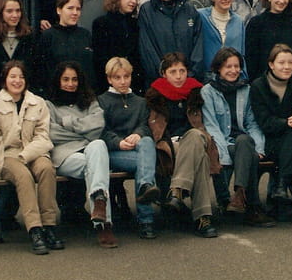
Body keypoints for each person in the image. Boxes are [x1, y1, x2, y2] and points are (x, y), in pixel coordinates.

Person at [0, 60, 64, 254]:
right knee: (23, 176)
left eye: (21, 77)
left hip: (34, 151)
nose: (17, 81)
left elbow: (43, 136)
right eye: (12, 76)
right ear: (5, 79)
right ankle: (35, 229)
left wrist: (26, 155)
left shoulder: (38, 103)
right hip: (8, 156)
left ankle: (49, 225)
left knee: (46, 169)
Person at [145, 52, 219, 238]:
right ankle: (203, 218)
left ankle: (177, 191)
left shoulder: (196, 93)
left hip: (195, 140)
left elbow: (204, 125)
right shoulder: (154, 95)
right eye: (173, 72)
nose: (178, 76)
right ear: (164, 74)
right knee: (201, 158)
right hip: (168, 146)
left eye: (182, 71)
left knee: (195, 136)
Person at [201, 48, 275, 227]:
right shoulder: (208, 91)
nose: (233, 70)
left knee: (245, 141)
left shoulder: (246, 90)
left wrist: (259, 147)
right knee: (248, 153)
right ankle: (252, 207)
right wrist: (223, 154)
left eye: (237, 66)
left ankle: (238, 195)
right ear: (218, 68)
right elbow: (211, 126)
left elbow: (252, 123)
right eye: (228, 66)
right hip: (221, 142)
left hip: (243, 142)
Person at [46, 61, 117, 248]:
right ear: (58, 81)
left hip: (89, 149)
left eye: (74, 79)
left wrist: (67, 123)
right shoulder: (49, 105)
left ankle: (100, 204)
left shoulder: (90, 102)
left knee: (99, 144)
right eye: (66, 79)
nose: (71, 84)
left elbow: (98, 126)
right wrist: (83, 130)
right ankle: (104, 224)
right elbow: (52, 133)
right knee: (96, 163)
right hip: (64, 155)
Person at [250, 44, 292, 227]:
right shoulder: (258, 86)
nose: (287, 67)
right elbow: (264, 121)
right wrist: (288, 122)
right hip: (269, 142)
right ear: (271, 64)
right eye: (281, 63)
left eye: (290, 62)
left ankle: (282, 186)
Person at [98, 57, 161, 240]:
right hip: (114, 153)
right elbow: (101, 131)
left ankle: (145, 187)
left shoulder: (140, 102)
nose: (123, 81)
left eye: (126, 76)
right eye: (117, 78)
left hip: (138, 150)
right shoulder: (102, 101)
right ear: (109, 79)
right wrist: (118, 142)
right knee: (145, 163)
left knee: (146, 142)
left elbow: (145, 125)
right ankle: (146, 220)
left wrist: (138, 134)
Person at [138, 0, 203, 84]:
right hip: (159, 82)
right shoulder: (147, 11)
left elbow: (198, 46)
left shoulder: (189, 10)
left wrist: (189, 75)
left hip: (187, 81)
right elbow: (147, 48)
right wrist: (163, 76)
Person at [34, 0, 96, 92]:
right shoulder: (48, 36)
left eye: (78, 9)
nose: (75, 13)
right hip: (56, 95)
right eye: (70, 8)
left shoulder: (85, 35)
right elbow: (41, 71)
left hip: (83, 95)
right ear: (59, 10)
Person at [92, 0, 144, 94]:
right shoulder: (101, 23)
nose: (134, 1)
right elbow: (100, 57)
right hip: (108, 83)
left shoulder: (136, 24)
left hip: (132, 84)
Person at [245, 0, 292, 81]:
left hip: (289, 81)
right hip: (263, 82)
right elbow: (251, 58)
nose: (282, 1)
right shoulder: (256, 23)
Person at [198, 0, 246, 81]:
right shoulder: (201, 16)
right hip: (208, 77)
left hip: (233, 77)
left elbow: (241, 53)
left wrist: (244, 78)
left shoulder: (238, 21)